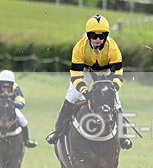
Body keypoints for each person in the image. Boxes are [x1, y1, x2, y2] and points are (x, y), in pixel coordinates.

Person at [44, 14, 132, 149]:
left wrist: (114, 88)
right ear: (88, 36)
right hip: (85, 71)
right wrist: (85, 91)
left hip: (106, 71)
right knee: (71, 96)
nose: (98, 39)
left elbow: (118, 74)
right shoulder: (79, 48)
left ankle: (123, 136)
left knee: (115, 100)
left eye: (101, 36)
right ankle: (58, 131)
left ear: (106, 36)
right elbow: (76, 75)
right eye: (94, 36)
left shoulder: (113, 48)